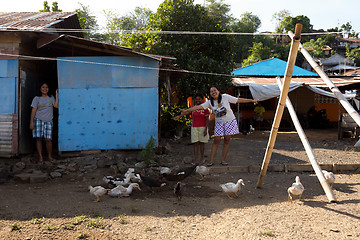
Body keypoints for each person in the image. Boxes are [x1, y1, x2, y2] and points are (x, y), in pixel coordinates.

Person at [174, 86, 258, 166]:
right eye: (211, 91)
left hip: (229, 121)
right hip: (219, 123)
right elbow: (197, 107)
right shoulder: (209, 102)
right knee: (216, 140)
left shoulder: (225, 97)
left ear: (218, 91)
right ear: (210, 94)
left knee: (227, 140)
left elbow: (238, 100)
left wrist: (251, 100)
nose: (213, 92)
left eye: (215, 90)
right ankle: (211, 161)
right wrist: (186, 110)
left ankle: (223, 160)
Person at [29, 83, 58, 164]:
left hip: (48, 120)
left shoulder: (51, 98)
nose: (45, 89)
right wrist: (31, 122)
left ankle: (49, 156)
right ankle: (40, 157)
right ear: (40, 89)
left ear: (48, 89)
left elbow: (56, 106)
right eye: (43, 87)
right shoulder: (37, 99)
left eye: (46, 87)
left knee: (48, 139)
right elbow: (33, 110)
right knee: (38, 138)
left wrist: (57, 94)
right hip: (38, 120)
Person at [190, 93, 210, 165]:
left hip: (202, 127)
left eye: (199, 99)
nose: (198, 100)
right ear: (195, 100)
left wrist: (206, 129)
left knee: (202, 144)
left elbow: (207, 119)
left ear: (202, 100)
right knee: (195, 143)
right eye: (196, 99)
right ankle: (195, 159)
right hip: (194, 127)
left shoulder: (205, 108)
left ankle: (202, 158)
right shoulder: (192, 108)